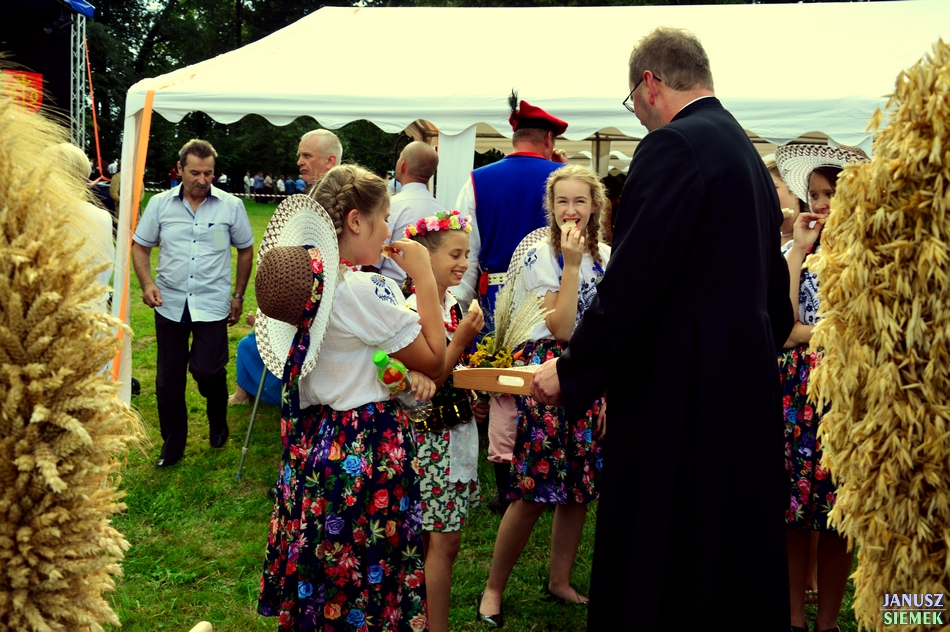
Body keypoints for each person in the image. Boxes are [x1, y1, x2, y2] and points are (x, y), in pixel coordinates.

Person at [530, 27, 794, 630]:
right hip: (743, 385)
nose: (639, 116)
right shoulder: (745, 153)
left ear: (649, 83)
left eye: (632, 102)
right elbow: (773, 297)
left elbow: (634, 280)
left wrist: (575, 369)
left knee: (664, 547)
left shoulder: (673, 145)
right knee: (727, 547)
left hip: (680, 391)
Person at [256, 165, 446, 631]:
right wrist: (424, 275)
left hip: (318, 442)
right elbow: (435, 358)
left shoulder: (308, 287)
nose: (388, 230)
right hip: (366, 446)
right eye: (384, 218)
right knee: (369, 565)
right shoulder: (356, 291)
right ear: (356, 221)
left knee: (330, 564)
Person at [476, 165, 608, 626]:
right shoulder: (540, 254)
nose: (571, 210)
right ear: (550, 207)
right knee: (532, 489)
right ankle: (493, 589)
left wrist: (605, 388)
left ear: (595, 206)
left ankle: (559, 580)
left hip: (589, 371)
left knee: (578, 491)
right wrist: (570, 265)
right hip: (547, 372)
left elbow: (608, 331)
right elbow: (563, 327)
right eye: (562, 201)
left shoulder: (608, 256)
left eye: (580, 201)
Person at [455, 94, 569, 514]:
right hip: (553, 296)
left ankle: (506, 485)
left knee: (502, 385)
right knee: (546, 381)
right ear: (548, 140)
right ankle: (549, 472)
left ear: (514, 137)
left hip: (498, 296)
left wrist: (461, 307)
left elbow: (466, 254)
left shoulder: (477, 181)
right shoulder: (565, 180)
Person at [775, 143, 869, 632]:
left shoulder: (869, 253)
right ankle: (793, 615)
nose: (820, 203)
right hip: (797, 391)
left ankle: (827, 622)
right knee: (793, 509)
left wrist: (808, 333)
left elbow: (862, 329)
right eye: (813, 194)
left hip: (847, 392)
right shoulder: (798, 251)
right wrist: (797, 250)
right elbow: (783, 327)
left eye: (829, 193)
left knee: (838, 515)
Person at [132, 139, 254, 468]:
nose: (202, 180)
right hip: (169, 302)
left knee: (207, 369)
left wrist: (238, 295)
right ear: (180, 170)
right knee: (168, 379)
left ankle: (218, 417)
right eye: (195, 173)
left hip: (212, 303)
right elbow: (140, 246)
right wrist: (147, 284)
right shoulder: (160, 204)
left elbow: (245, 249)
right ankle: (172, 445)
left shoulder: (231, 206)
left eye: (209, 173)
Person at [401, 209, 484, 632]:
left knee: (436, 539)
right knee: (443, 542)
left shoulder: (450, 303)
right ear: (426, 258)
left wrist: (471, 391)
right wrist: (464, 338)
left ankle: (418, 618)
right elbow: (431, 376)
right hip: (430, 440)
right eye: (455, 254)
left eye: (466, 254)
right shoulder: (415, 308)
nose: (464, 263)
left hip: (451, 435)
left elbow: (447, 377)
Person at [377, 141, 444, 284]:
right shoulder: (442, 212)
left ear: (403, 166)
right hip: (426, 289)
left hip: (390, 288)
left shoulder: (392, 205)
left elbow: (374, 257)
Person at [228, 313, 282, 406]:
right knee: (250, 341)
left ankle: (242, 395)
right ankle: (245, 392)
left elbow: (281, 335)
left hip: (287, 352)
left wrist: (256, 324)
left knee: (246, 344)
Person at [764, 155, 807, 247]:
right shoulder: (766, 238)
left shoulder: (814, 235)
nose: (765, 194)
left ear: (795, 190)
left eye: (773, 188)